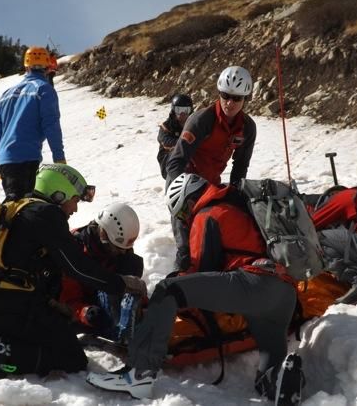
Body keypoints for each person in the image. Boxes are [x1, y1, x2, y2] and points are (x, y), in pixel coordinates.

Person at [87, 173, 304, 403]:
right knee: (270, 365)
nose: (184, 219)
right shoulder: (236, 206)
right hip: (284, 292)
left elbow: (198, 271)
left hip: (254, 285)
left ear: (189, 201)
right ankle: (282, 383)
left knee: (169, 289)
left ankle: (138, 374)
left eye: (182, 213)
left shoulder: (206, 213)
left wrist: (160, 304)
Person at [0, 164, 147, 391]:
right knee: (72, 359)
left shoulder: (24, 209)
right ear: (58, 193)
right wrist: (120, 284)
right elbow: (77, 267)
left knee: (59, 332)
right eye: (74, 199)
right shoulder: (46, 215)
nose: (74, 208)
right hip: (10, 308)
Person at [164, 66, 257, 271]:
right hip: (183, 182)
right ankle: (181, 275)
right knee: (186, 246)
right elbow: (175, 163)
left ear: (245, 99)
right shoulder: (201, 120)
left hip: (210, 184)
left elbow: (240, 166)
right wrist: (182, 194)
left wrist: (236, 195)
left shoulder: (248, 128)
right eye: (225, 96)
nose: (229, 103)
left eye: (236, 98)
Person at [60, 202, 144, 342]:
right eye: (117, 248)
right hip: (84, 305)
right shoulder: (74, 249)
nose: (122, 252)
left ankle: (128, 324)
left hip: (107, 296)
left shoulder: (120, 250)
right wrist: (85, 312)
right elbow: (68, 299)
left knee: (132, 262)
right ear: (104, 235)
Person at [0, 46, 66, 201]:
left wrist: (6, 151)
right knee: (23, 210)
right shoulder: (44, 89)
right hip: (27, 158)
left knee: (15, 206)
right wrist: (59, 158)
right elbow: (51, 125)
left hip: (5, 160)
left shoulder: (7, 93)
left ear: (26, 66)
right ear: (47, 66)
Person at [156, 94, 194, 180]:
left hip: (190, 160)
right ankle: (173, 186)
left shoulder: (194, 125)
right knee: (176, 154)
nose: (182, 114)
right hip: (168, 162)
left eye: (186, 110)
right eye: (179, 110)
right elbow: (166, 142)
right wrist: (185, 143)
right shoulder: (166, 126)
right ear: (173, 110)